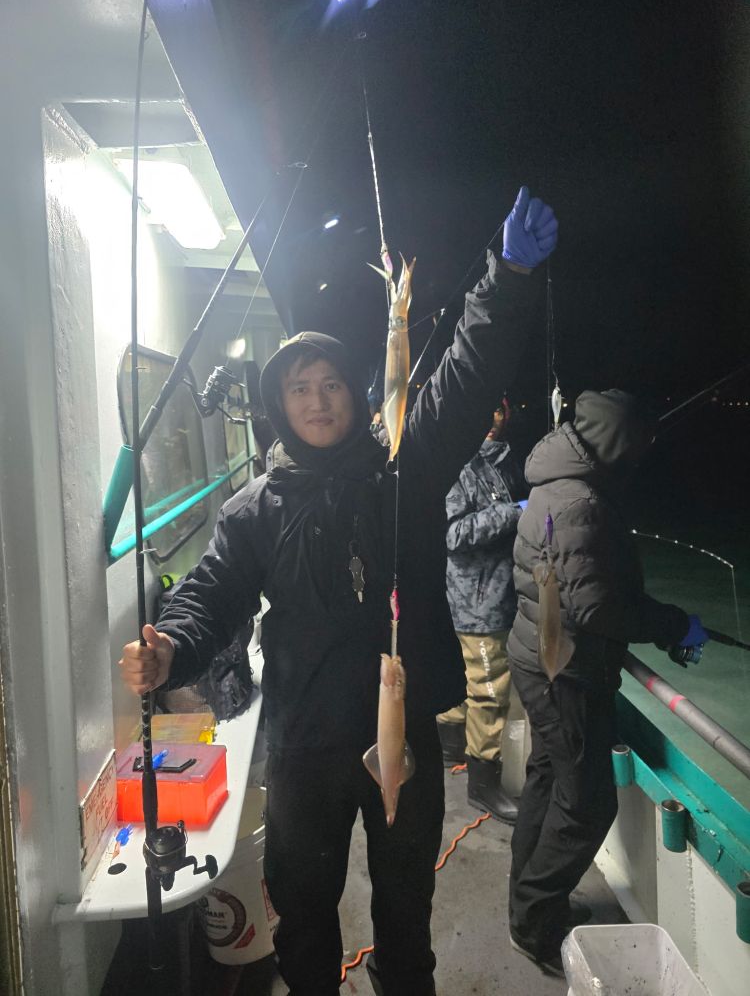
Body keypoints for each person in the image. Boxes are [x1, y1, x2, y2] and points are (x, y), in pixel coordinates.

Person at [119, 184, 558, 996]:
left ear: (355, 394)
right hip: (304, 741)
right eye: (300, 389)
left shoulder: (404, 470)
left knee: (407, 900)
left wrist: (509, 279)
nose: (318, 401)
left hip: (402, 732)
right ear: (279, 406)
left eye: (330, 384)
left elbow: (464, 381)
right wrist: (171, 643)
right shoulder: (256, 507)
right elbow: (213, 591)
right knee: (303, 905)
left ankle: (405, 982)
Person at [506, 389, 708, 977]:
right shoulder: (584, 503)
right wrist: (673, 624)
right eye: (639, 443)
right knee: (587, 805)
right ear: (619, 444)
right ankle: (534, 925)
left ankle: (527, 906)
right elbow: (597, 608)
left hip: (537, 658)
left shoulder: (554, 481)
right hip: (565, 673)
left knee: (548, 780)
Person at [438, 398, 527, 824]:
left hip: (499, 594)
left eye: (500, 409)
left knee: (468, 681)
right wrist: (514, 512)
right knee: (490, 690)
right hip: (477, 604)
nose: (494, 418)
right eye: (485, 409)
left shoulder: (504, 461)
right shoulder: (455, 465)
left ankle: (450, 746)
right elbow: (452, 534)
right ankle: (482, 783)